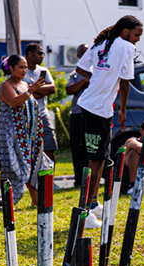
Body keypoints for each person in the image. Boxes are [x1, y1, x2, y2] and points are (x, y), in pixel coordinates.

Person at [76, 15, 143, 228]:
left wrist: (96, 79)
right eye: (136, 34)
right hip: (97, 110)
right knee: (95, 163)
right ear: (125, 31)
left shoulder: (101, 43)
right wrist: (122, 110)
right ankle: (85, 212)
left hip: (94, 108)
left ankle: (94, 203)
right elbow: (125, 83)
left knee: (101, 159)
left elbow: (80, 68)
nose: (138, 40)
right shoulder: (125, 47)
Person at [0, 55, 52, 206]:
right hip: (12, 133)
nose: (24, 70)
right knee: (17, 168)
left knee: (34, 165)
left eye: (26, 67)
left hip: (27, 134)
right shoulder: (6, 85)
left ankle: (36, 201)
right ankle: (8, 203)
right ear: (11, 68)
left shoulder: (25, 84)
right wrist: (32, 90)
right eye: (20, 67)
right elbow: (14, 102)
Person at [23, 43, 57, 163]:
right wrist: (39, 90)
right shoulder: (22, 71)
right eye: (40, 53)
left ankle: (50, 180)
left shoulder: (43, 71)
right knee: (29, 151)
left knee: (49, 148)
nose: (42, 56)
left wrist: (32, 89)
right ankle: (35, 180)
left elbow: (52, 89)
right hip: (27, 117)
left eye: (43, 53)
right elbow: (23, 92)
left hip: (43, 114)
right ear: (30, 54)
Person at [66, 44, 90, 187]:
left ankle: (89, 179)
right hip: (77, 113)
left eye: (88, 52)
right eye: (82, 52)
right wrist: (85, 80)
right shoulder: (75, 73)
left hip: (92, 113)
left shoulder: (97, 70)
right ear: (78, 55)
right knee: (77, 147)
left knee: (89, 147)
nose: (85, 55)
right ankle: (78, 179)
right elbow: (69, 89)